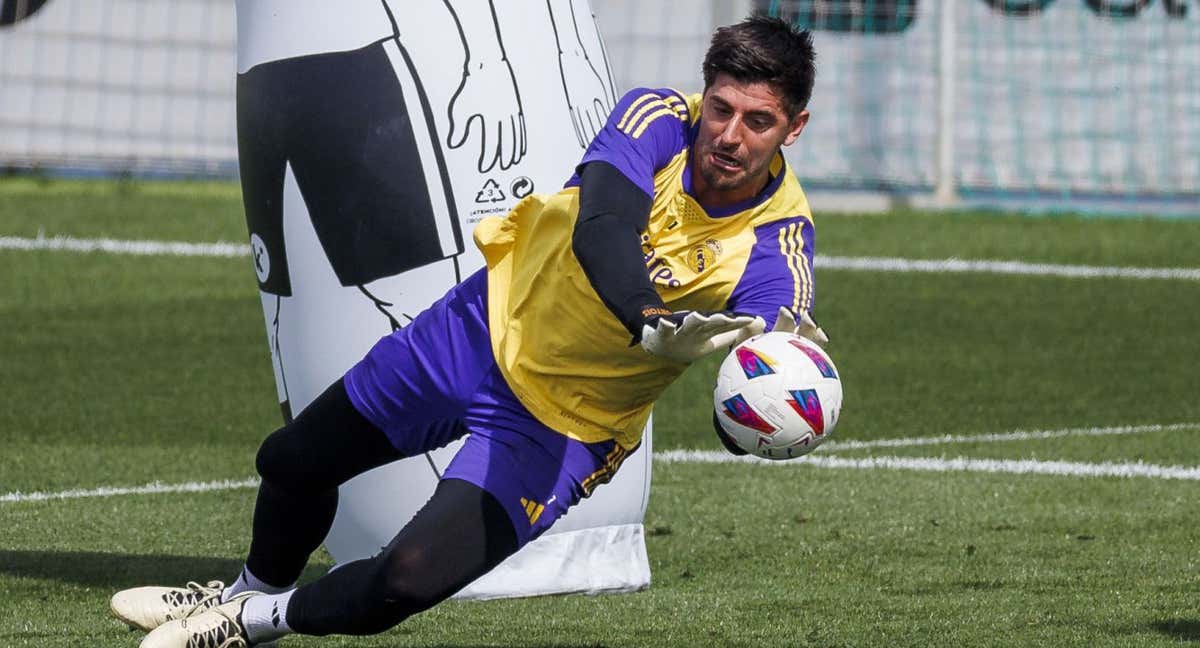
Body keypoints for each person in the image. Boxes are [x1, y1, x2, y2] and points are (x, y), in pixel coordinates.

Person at [111, 14, 826, 648]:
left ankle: (250, 624)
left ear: (792, 128)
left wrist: (772, 364)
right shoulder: (657, 117)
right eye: (722, 109)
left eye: (757, 122)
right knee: (294, 460)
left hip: (561, 425)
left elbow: (776, 345)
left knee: (407, 578)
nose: (729, 136)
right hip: (478, 328)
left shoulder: (778, 243)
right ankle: (244, 591)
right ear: (704, 95)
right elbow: (603, 223)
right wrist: (644, 316)